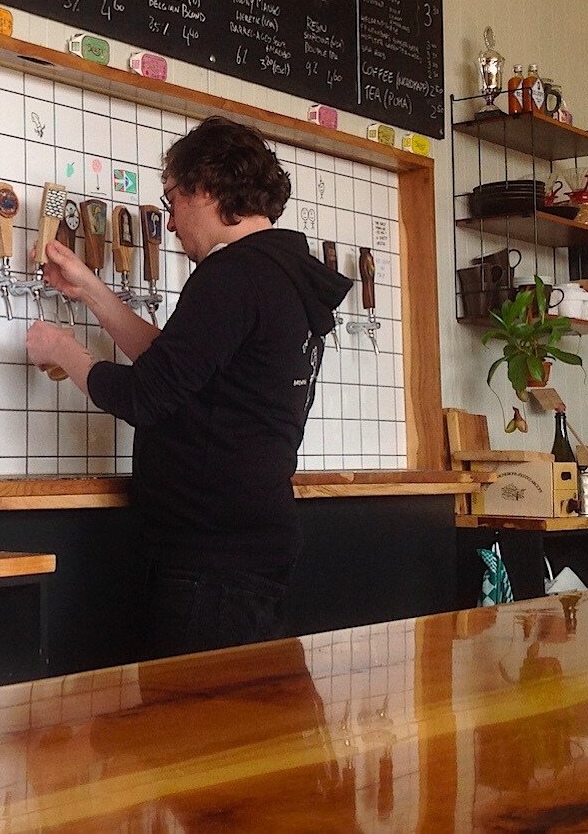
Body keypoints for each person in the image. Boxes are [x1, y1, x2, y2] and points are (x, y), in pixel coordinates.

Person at [25, 116, 351, 659]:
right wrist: (93, 293)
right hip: (250, 542)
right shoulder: (282, 271)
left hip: (209, 559)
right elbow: (180, 370)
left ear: (207, 188)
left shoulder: (234, 276)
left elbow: (144, 396)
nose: (170, 223)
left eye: (172, 199)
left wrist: (63, 350)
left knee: (196, 734)